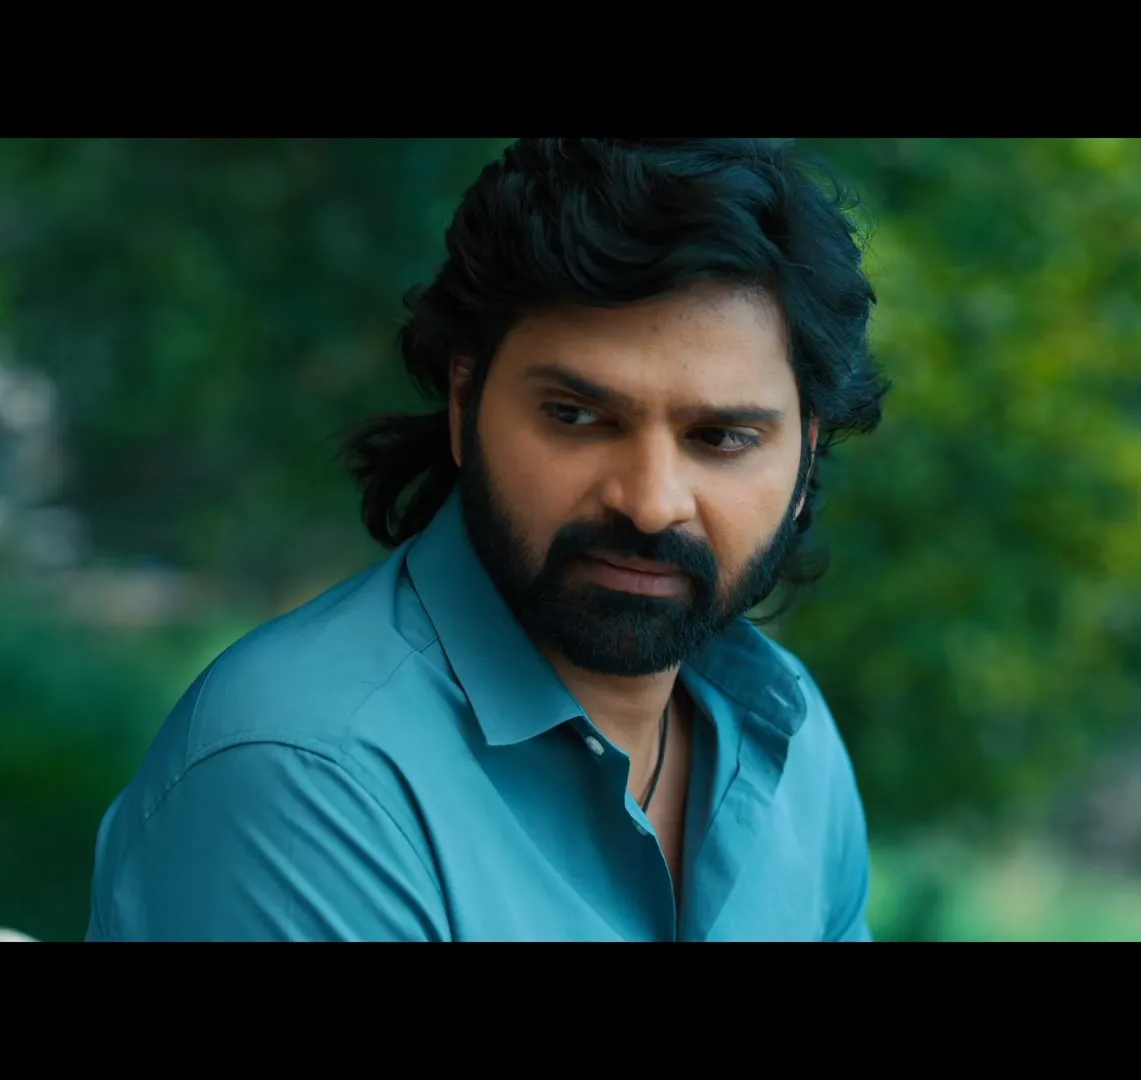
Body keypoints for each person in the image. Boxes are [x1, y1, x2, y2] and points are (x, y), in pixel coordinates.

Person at [84, 138, 891, 941]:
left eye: (720, 438)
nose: (650, 504)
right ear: (465, 404)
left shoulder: (789, 736)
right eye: (577, 416)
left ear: (804, 455)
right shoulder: (304, 777)